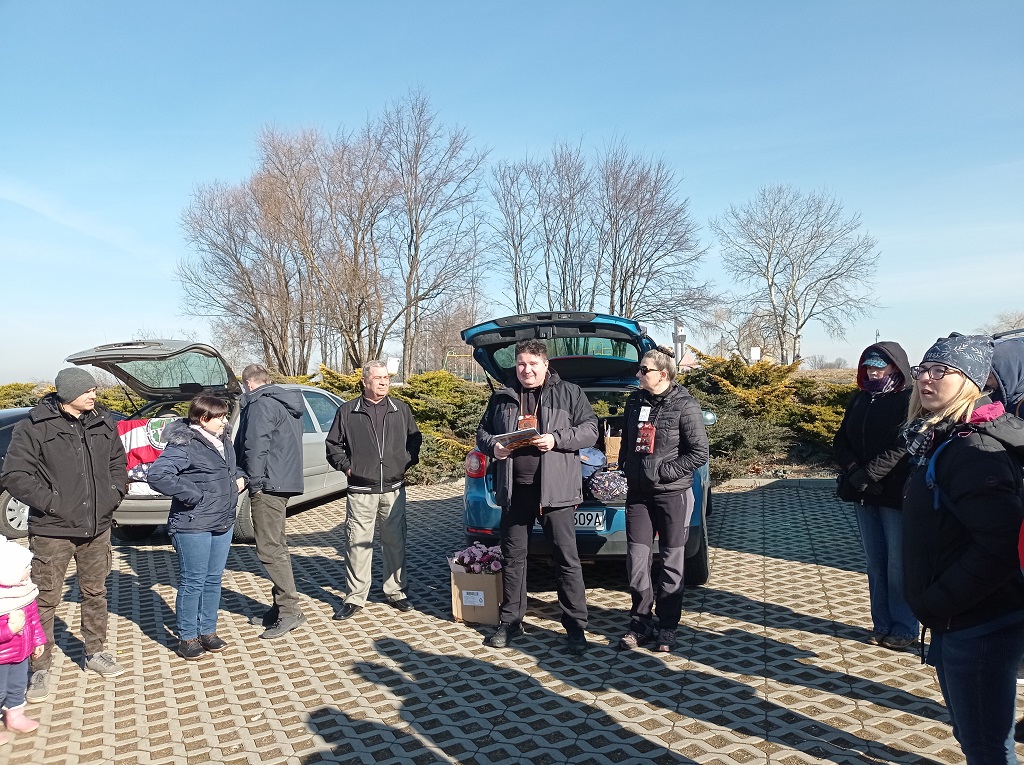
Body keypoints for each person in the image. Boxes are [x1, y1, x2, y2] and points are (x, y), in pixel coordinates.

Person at [902, 334, 1024, 764]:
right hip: (957, 618)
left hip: (979, 623)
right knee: (973, 735)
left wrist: (939, 601)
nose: (926, 379)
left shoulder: (974, 448)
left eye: (942, 371)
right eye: (923, 369)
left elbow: (1000, 545)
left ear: (973, 381)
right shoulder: (943, 436)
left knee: (986, 746)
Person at [0, 368, 128, 702]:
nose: (93, 395)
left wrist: (114, 493)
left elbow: (118, 463)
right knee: (44, 599)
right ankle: (39, 667)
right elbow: (15, 474)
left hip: (97, 528)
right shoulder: (34, 426)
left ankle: (95, 651)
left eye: (94, 389)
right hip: (52, 531)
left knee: (95, 592)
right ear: (67, 393)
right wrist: (53, 504)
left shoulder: (103, 422)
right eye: (87, 390)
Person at [476, 340, 599, 655]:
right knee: (513, 559)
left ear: (546, 365)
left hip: (555, 493)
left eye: (533, 364)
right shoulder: (503, 396)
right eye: (521, 364)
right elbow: (483, 433)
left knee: (567, 560)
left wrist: (556, 439)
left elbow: (590, 430)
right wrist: (494, 447)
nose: (526, 370)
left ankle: (575, 627)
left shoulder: (569, 393)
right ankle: (510, 622)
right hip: (515, 491)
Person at [619, 346, 709, 653]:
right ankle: (640, 622)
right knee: (637, 561)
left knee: (671, 563)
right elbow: (627, 441)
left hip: (673, 495)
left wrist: (665, 472)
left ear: (663, 374)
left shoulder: (685, 404)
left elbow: (699, 453)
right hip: (638, 496)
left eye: (644, 370)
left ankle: (668, 625)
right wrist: (625, 466)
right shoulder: (635, 401)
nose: (638, 373)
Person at [833, 343, 918, 650]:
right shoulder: (860, 398)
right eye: (868, 366)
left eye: (879, 367)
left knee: (898, 564)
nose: (872, 372)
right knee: (875, 563)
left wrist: (869, 474)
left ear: (896, 366)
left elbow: (904, 446)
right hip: (863, 493)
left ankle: (904, 627)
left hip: (894, 493)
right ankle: (881, 624)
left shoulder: (909, 399)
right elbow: (841, 439)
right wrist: (854, 470)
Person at [148, 395, 246, 660]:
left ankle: (208, 632)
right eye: (220, 417)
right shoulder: (185, 443)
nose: (225, 422)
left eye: (225, 416)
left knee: (213, 579)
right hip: (193, 525)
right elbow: (158, 475)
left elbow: (230, 469)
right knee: (193, 581)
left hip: (222, 521)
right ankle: (187, 637)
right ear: (203, 419)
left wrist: (240, 478)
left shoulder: (223, 440)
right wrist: (193, 495)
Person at [326, 361, 421, 620]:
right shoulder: (348, 411)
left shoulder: (400, 409)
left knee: (395, 541)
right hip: (360, 490)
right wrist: (348, 468)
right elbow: (333, 445)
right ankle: (355, 597)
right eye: (378, 378)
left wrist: (404, 461)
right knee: (357, 544)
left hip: (393, 488)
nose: (383, 382)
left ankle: (396, 591)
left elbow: (415, 438)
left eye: (386, 378)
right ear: (365, 382)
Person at [234, 364, 307, 640]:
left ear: (248, 384)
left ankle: (289, 611)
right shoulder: (283, 401)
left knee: (269, 549)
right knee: (277, 545)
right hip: (282, 481)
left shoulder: (260, 404)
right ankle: (280, 608)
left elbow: (255, 445)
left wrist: (253, 483)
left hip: (268, 484)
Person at [0, 536, 46, 740]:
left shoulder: (24, 593)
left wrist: (37, 640)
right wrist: (9, 630)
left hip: (21, 652)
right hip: (1, 657)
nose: (29, 570)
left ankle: (15, 716)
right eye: (25, 568)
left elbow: (33, 619)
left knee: (18, 686)